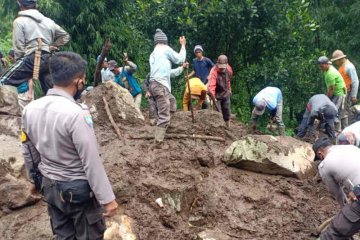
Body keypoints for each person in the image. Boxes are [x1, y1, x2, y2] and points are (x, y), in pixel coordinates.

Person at [21, 52, 118, 239]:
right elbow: (90, 161)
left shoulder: (29, 109)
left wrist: (34, 180)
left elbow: (29, 150)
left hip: (50, 187)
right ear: (78, 81)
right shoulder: (77, 114)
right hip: (77, 192)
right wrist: (107, 199)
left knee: (63, 236)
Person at [0, 0, 70, 95]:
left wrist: (20, 63)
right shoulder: (49, 21)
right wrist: (51, 46)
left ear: (19, 4)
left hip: (31, 58)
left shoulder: (19, 21)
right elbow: (65, 36)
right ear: (36, 5)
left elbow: (19, 47)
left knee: (2, 82)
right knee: (52, 91)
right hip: (48, 59)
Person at [312, 137, 360, 239]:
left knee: (335, 232)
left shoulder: (324, 165)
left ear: (320, 153)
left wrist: (346, 209)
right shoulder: (351, 148)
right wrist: (354, 191)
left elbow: (337, 193)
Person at [149, 28, 186, 143]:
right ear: (165, 41)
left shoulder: (153, 54)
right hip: (161, 86)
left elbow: (168, 73)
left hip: (154, 85)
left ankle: (167, 126)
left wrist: (181, 68)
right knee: (164, 114)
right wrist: (183, 45)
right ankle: (158, 141)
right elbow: (180, 58)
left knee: (172, 101)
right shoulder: (165, 49)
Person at [318, 56, 347, 131]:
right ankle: (339, 129)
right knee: (337, 111)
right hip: (335, 93)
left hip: (339, 94)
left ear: (326, 64)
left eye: (321, 66)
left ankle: (337, 131)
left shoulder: (331, 73)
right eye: (319, 66)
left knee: (334, 111)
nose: (320, 68)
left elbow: (331, 89)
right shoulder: (327, 68)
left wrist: (326, 100)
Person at [331, 50, 359, 125]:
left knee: (345, 112)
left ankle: (345, 129)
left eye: (335, 61)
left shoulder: (349, 67)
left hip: (347, 92)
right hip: (342, 92)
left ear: (340, 59)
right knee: (341, 111)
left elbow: (355, 81)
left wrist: (353, 96)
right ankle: (342, 129)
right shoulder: (342, 66)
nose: (335, 63)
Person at [207, 54, 233, 127]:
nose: (221, 69)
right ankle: (218, 127)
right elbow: (211, 86)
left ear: (226, 64)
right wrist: (212, 97)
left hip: (225, 92)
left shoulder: (229, 69)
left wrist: (229, 89)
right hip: (217, 95)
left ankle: (228, 126)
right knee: (218, 113)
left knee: (227, 111)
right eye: (220, 67)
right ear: (217, 64)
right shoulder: (213, 72)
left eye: (223, 68)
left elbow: (228, 80)